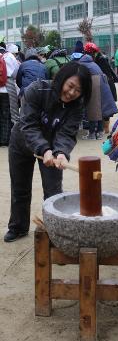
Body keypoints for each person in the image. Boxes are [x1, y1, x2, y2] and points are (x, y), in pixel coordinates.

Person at [4, 61, 92, 242]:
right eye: (71, 86)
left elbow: (67, 132)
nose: (72, 93)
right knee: (20, 189)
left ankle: (55, 233)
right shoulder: (36, 90)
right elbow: (29, 125)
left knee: (53, 191)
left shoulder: (77, 104)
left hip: (52, 148)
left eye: (78, 90)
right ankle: (18, 227)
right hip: (21, 143)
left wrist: (60, 153)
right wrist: (44, 149)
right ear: (61, 79)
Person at [71, 50, 118, 140]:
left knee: (92, 109)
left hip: (94, 83)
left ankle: (92, 134)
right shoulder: (93, 63)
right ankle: (99, 132)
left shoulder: (82, 64)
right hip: (102, 84)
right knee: (99, 109)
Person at [84, 42, 118, 134]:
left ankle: (105, 128)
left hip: (106, 84)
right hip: (105, 83)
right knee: (103, 107)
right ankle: (103, 128)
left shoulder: (100, 60)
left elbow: (106, 73)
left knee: (105, 108)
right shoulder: (98, 59)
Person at [0, 41, 20, 146]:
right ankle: (6, 139)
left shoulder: (2, 56)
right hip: (8, 87)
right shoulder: (11, 58)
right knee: (8, 114)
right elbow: (16, 72)